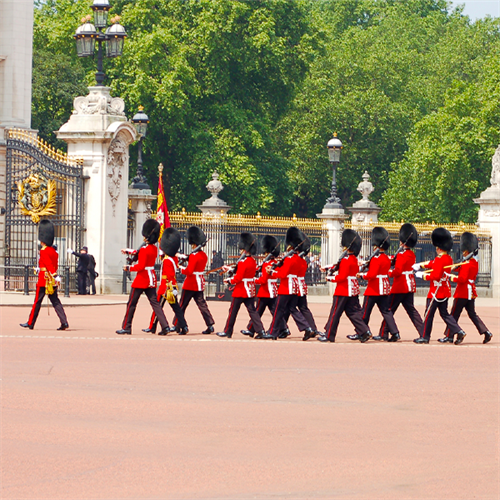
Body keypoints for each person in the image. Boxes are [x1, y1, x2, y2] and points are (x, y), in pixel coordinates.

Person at [413, 228, 467, 344]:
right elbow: (433, 264)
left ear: (438, 247)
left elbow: (435, 275)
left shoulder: (439, 259)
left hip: (435, 291)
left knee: (428, 314)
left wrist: (421, 276)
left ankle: (425, 337)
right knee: (445, 314)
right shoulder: (448, 258)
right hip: (444, 290)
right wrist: (420, 265)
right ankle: (458, 330)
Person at [116, 219, 170, 335]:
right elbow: (141, 252)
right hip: (151, 279)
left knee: (131, 304)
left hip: (141, 280)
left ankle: (127, 327)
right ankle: (165, 326)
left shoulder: (145, 249)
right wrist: (129, 251)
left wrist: (128, 268)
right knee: (155, 304)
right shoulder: (154, 249)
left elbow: (140, 266)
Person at [318, 229, 372, 343]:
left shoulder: (346, 260)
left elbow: (342, 277)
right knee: (353, 312)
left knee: (335, 313)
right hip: (352, 290)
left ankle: (329, 335)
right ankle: (364, 331)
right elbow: (339, 266)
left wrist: (330, 278)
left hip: (343, 290)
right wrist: (328, 267)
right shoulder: (353, 259)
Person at [439, 232, 493, 344]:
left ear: (466, 251)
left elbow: (462, 279)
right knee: (472, 314)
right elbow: (462, 270)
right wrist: (456, 267)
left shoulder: (467, 264)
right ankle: (486, 332)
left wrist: (451, 277)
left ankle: (450, 336)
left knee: (454, 314)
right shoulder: (473, 263)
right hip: (471, 293)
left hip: (462, 292)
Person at [262, 227, 314, 340]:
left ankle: (273, 332)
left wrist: (271, 271)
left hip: (286, 287)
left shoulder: (289, 259)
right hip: (294, 287)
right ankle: (306, 327)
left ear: (290, 246)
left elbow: (283, 274)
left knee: (278, 310)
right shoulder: (298, 259)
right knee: (292, 309)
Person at [351, 227, 400, 342]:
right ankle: (395, 332)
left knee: (365, 312)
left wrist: (361, 275)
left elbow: (372, 275)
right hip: (384, 289)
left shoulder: (376, 259)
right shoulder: (386, 258)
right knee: (386, 312)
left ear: (376, 246)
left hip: (373, 289)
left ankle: (361, 332)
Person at [20, 219, 69, 331]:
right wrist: (42, 270)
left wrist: (53, 274)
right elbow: (51, 264)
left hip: (44, 280)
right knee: (56, 301)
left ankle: (30, 322)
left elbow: (48, 264)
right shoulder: (53, 251)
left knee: (37, 302)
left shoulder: (43, 251)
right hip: (52, 280)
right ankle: (64, 322)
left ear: (42, 240)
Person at [377, 223, 422, 342]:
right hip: (409, 285)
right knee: (411, 311)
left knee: (388, 310)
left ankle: (384, 333)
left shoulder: (401, 255)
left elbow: (398, 271)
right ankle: (423, 332)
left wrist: (388, 272)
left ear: (402, 241)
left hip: (400, 286)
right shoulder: (411, 254)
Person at [216, 232, 265, 338]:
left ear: (244, 249)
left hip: (241, 290)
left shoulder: (242, 262)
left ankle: (228, 331)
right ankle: (261, 331)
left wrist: (229, 281)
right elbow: (241, 272)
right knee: (253, 311)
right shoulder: (252, 261)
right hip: (249, 290)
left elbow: (238, 278)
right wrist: (229, 269)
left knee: (233, 311)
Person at [143, 227, 188, 335]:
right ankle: (184, 326)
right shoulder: (173, 259)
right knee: (176, 309)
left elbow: (168, 275)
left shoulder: (167, 260)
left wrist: (166, 288)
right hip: (172, 287)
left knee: (157, 308)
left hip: (165, 287)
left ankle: (155, 327)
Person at [175, 226, 215, 334]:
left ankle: (178, 325)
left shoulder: (194, 255)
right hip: (199, 283)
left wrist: (180, 268)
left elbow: (189, 271)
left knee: (182, 305)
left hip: (190, 283)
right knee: (202, 305)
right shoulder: (203, 255)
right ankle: (210, 324)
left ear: (193, 244)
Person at [240, 235, 280, 338]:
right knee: (271, 311)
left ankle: (252, 329)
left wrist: (253, 280)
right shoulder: (275, 263)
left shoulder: (267, 264)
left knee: (257, 311)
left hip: (265, 291)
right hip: (273, 290)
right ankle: (251, 329)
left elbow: (263, 280)